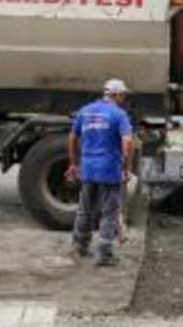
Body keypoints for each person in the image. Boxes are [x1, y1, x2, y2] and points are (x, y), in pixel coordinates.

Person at [67, 79, 134, 266]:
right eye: (123, 95)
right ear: (117, 95)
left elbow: (73, 137)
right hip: (109, 170)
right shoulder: (119, 115)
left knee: (85, 209)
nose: (124, 99)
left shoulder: (85, 110)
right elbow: (128, 142)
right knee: (109, 212)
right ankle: (104, 254)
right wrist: (126, 168)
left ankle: (80, 245)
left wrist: (73, 163)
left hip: (88, 168)